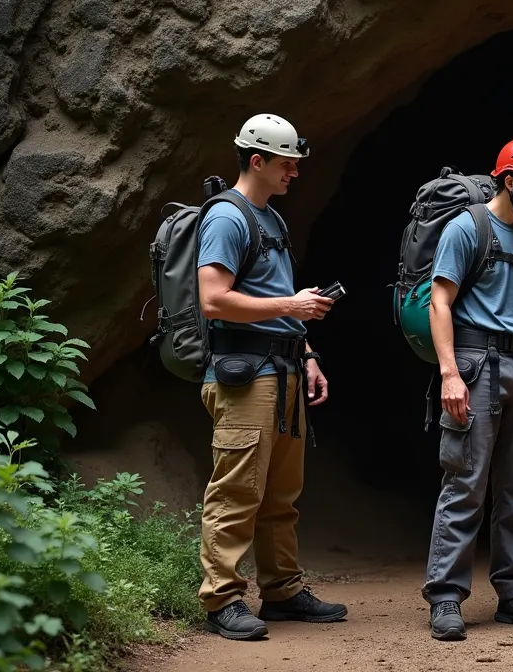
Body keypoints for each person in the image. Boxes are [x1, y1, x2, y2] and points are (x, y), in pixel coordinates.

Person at [195, 113, 347, 641]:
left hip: (284, 369)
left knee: (281, 494)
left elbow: (277, 300)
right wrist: (293, 306)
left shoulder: (272, 220)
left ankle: (281, 590)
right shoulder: (227, 218)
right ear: (256, 161)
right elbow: (213, 299)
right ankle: (222, 598)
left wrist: (307, 353)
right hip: (245, 375)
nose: (294, 173)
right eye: (287, 164)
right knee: (238, 491)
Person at [422, 138, 513, 641]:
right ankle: (446, 596)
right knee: (465, 481)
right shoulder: (467, 228)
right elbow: (440, 302)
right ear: (510, 181)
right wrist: (449, 373)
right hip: (476, 363)